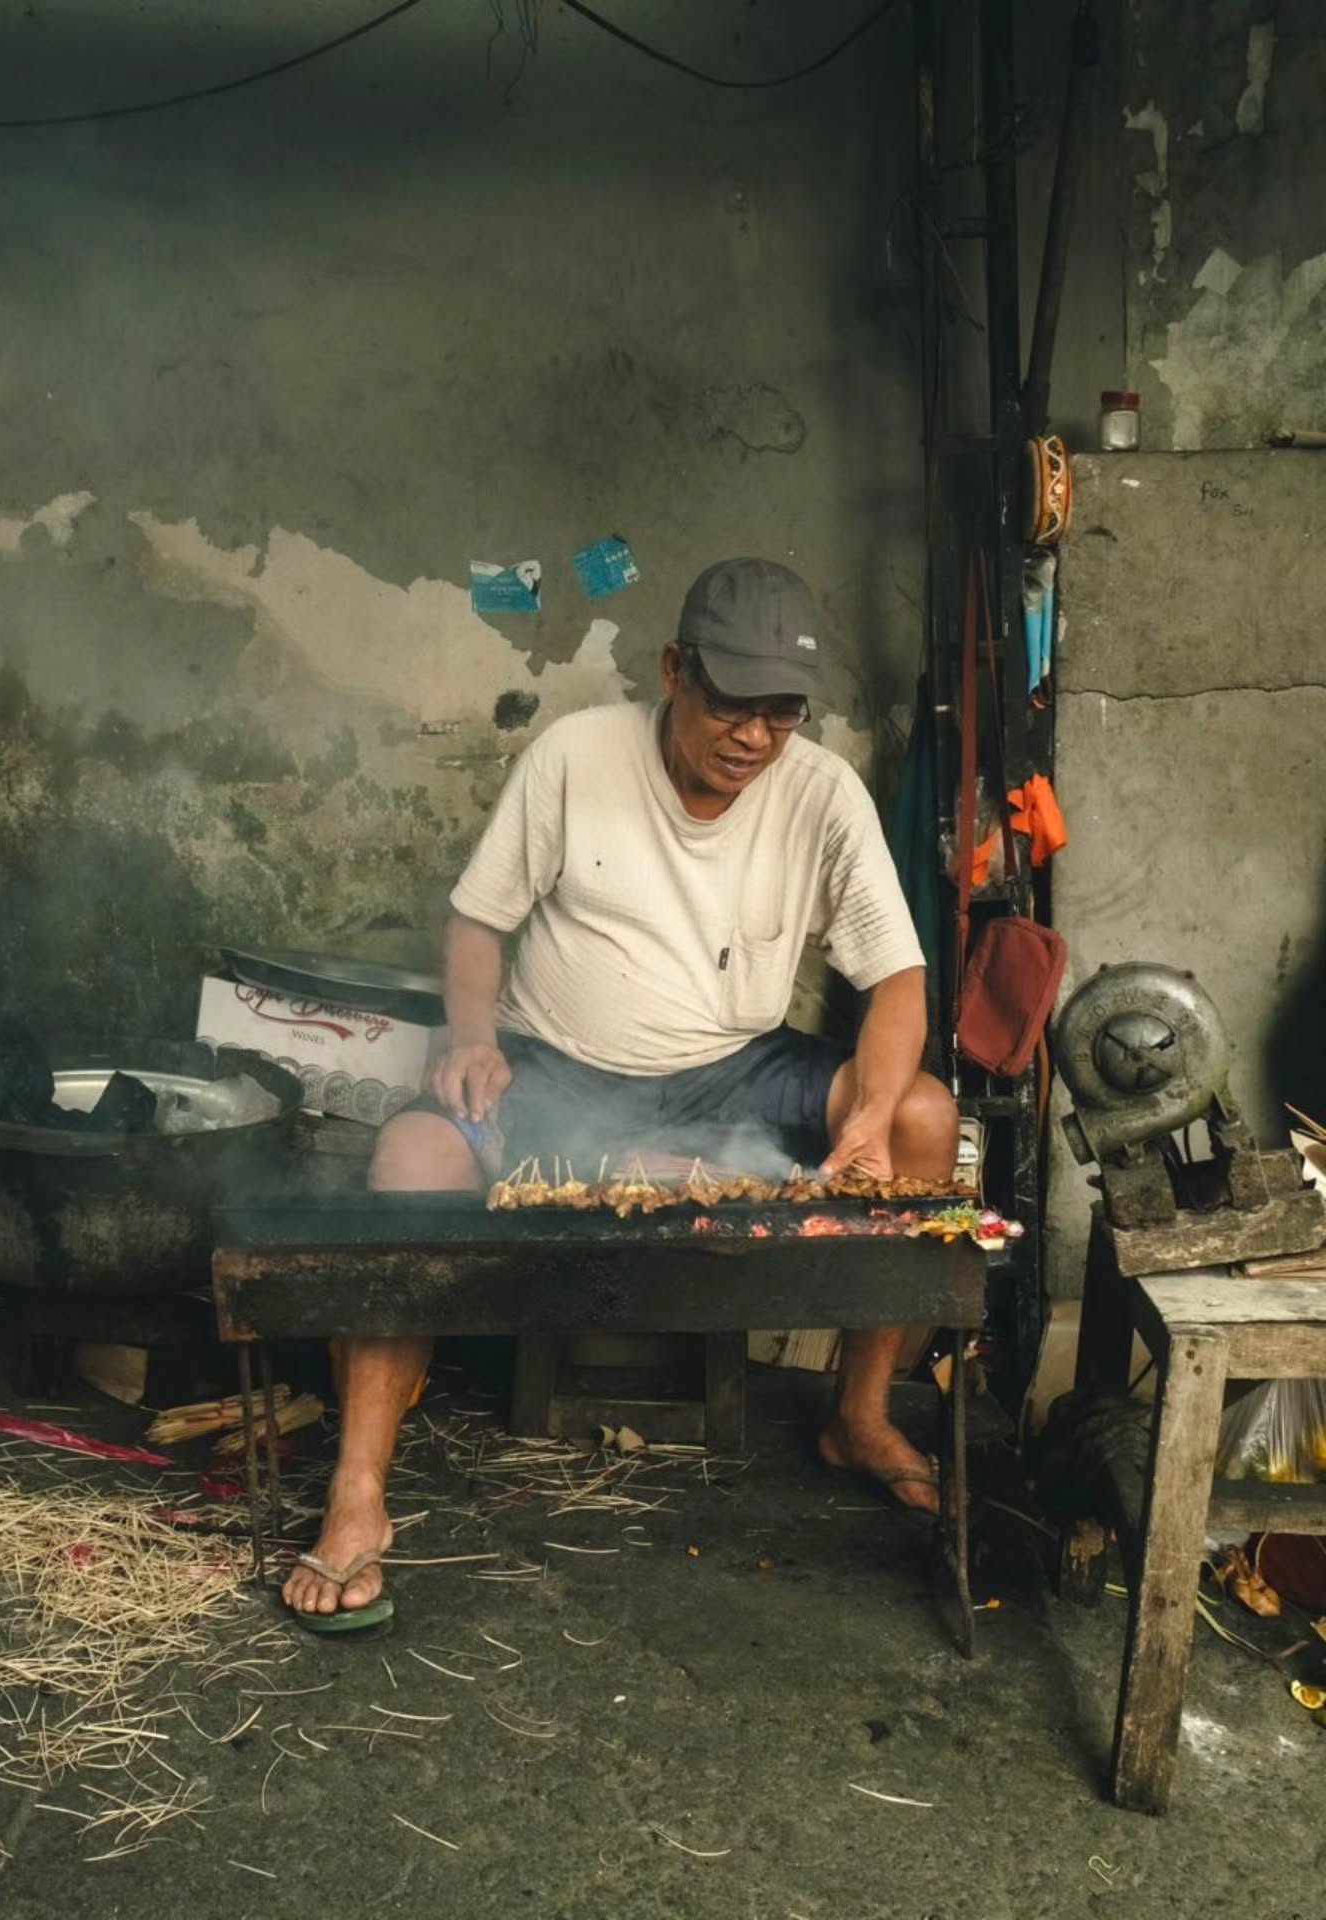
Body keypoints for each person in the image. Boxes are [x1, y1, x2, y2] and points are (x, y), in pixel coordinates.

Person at [284, 558, 959, 1623]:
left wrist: (871, 1118)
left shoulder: (822, 791)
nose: (753, 739)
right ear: (673, 671)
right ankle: (359, 1491)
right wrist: (469, 1038)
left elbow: (901, 982)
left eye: (780, 716)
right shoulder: (577, 756)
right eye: (732, 706)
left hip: (736, 1070)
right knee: (412, 1157)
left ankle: (860, 1414)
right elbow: (477, 922)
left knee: (925, 1116)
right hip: (558, 1065)